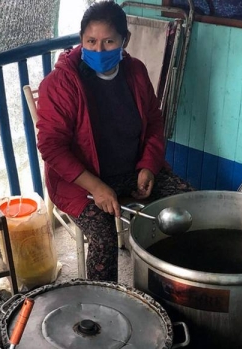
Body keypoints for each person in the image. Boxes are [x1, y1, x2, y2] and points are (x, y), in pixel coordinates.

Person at [36, 1, 194, 282]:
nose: (98, 50)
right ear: (81, 40)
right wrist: (96, 187)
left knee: (188, 206)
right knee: (104, 237)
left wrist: (148, 166)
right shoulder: (60, 83)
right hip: (81, 184)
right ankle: (103, 305)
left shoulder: (135, 71)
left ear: (125, 40)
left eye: (109, 42)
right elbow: (52, 147)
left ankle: (173, 284)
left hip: (132, 171)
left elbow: (155, 122)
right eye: (91, 41)